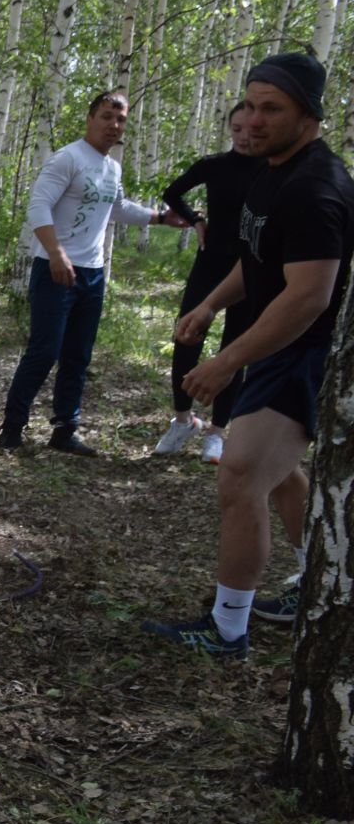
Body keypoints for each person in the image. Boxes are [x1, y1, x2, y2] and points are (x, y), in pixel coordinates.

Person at [143, 52, 351, 657]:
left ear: (308, 115)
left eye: (273, 109)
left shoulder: (317, 189)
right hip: (279, 348)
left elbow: (309, 298)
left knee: (239, 477)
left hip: (305, 356)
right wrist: (209, 306)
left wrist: (226, 360)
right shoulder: (273, 169)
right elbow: (258, 257)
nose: (255, 121)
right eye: (251, 105)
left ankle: (227, 629)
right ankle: (324, 580)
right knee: (279, 474)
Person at [0, 91, 185, 456]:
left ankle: (65, 429)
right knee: (44, 350)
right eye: (106, 117)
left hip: (92, 273)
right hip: (54, 269)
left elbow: (115, 208)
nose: (113, 126)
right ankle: (12, 428)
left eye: (121, 120)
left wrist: (161, 218)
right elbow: (39, 207)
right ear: (90, 118)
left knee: (78, 354)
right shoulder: (68, 158)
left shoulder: (111, 168)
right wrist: (55, 254)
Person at [153, 103, 262, 462]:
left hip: (249, 269)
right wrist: (196, 220)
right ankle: (182, 419)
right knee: (186, 338)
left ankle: (217, 432)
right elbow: (172, 192)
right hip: (210, 261)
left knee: (235, 347)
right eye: (237, 129)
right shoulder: (214, 165)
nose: (245, 136)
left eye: (251, 129)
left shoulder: (272, 170)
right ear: (229, 130)